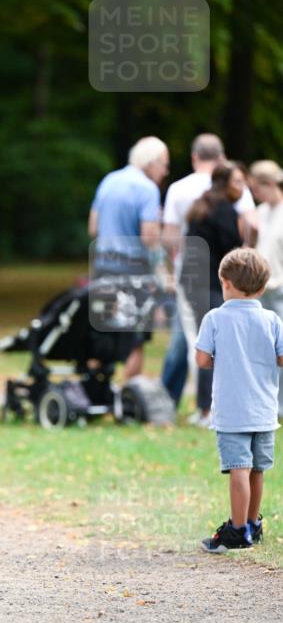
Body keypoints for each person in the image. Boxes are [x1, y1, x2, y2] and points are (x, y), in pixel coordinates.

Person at [196, 248, 283, 553]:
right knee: (257, 470)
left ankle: (236, 530)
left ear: (225, 282)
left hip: (233, 412)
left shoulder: (215, 318)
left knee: (238, 469)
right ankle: (252, 523)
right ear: (262, 288)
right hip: (264, 410)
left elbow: (202, 359)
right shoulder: (272, 319)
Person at [161, 134, 255, 408]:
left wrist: (177, 263)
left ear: (194, 157)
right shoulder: (231, 194)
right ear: (222, 157)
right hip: (218, 279)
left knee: (188, 338)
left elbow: (170, 237)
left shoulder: (181, 190)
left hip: (189, 276)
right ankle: (203, 405)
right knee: (206, 340)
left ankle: (169, 399)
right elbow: (252, 226)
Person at [88, 136, 168, 378]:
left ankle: (96, 392)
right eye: (164, 165)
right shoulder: (148, 189)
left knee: (103, 330)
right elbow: (149, 237)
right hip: (134, 270)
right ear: (151, 162)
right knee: (136, 336)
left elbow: (93, 227)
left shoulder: (109, 181)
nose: (166, 172)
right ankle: (129, 396)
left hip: (103, 266)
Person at [180, 161, 248, 426]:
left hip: (193, 284)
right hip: (210, 285)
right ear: (225, 183)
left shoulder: (202, 205)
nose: (243, 188)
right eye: (238, 182)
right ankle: (209, 410)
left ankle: (203, 408)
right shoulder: (224, 211)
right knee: (216, 346)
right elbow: (233, 253)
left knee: (206, 343)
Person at [249, 160, 283, 417]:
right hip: (262, 292)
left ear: (270, 184)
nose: (255, 194)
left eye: (258, 189)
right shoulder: (259, 213)